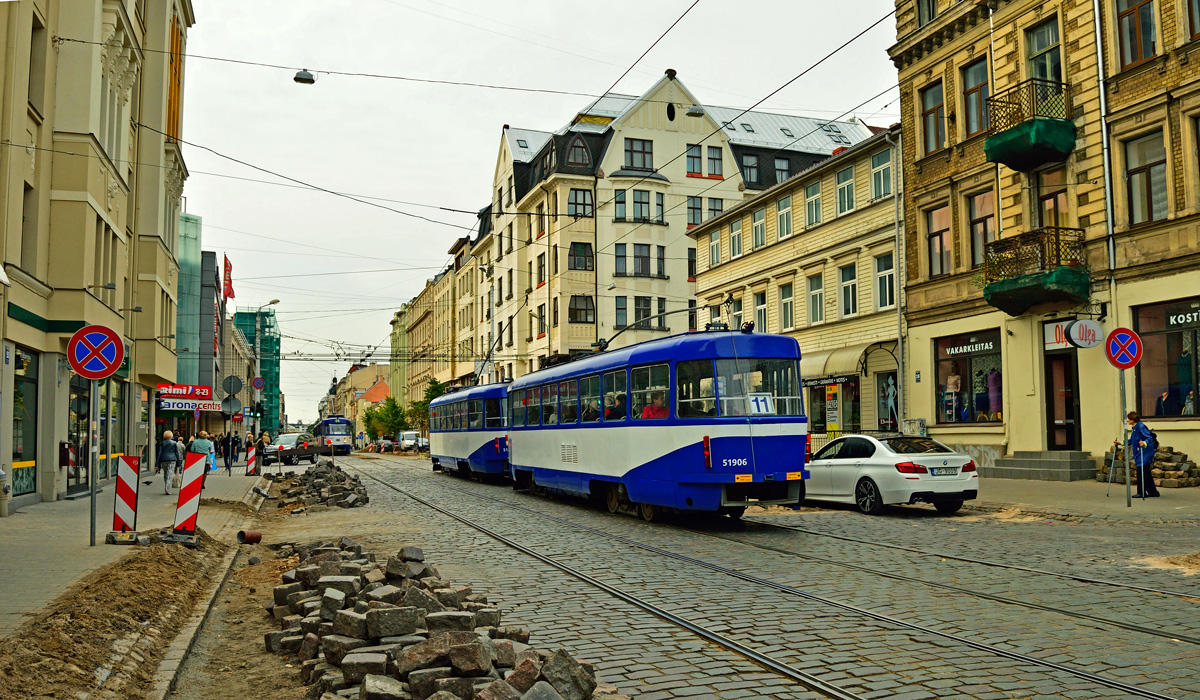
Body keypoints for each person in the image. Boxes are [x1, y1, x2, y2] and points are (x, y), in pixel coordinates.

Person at [1118, 411, 1159, 498]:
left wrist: (1144, 443)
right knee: (1146, 471)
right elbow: (1131, 440)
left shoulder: (1141, 426)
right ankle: (1153, 491)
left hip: (1145, 452)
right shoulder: (1135, 428)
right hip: (1140, 452)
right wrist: (1121, 442)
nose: (1127, 420)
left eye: (1129, 418)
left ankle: (1141, 492)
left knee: (1141, 471)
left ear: (1133, 419)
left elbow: (1149, 437)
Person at [157, 430, 179, 495]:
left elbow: (159, 453)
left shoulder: (162, 443)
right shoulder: (174, 443)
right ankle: (167, 489)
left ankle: (167, 487)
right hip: (172, 459)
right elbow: (176, 453)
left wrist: (157, 463)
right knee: (170, 473)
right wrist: (178, 463)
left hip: (164, 459)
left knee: (166, 473)